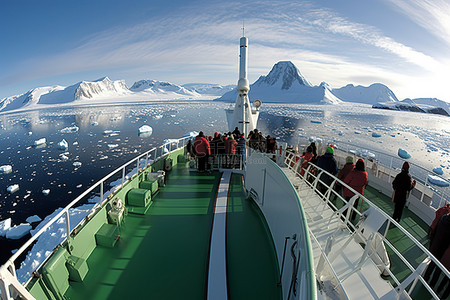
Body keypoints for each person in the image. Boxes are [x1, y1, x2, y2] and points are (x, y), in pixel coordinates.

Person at [424, 212, 450, 292]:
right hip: (443, 252)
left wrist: (432, 244)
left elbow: (434, 231)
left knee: (431, 264)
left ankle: (425, 279)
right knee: (438, 270)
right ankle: (432, 284)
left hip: (435, 247)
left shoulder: (443, 218)